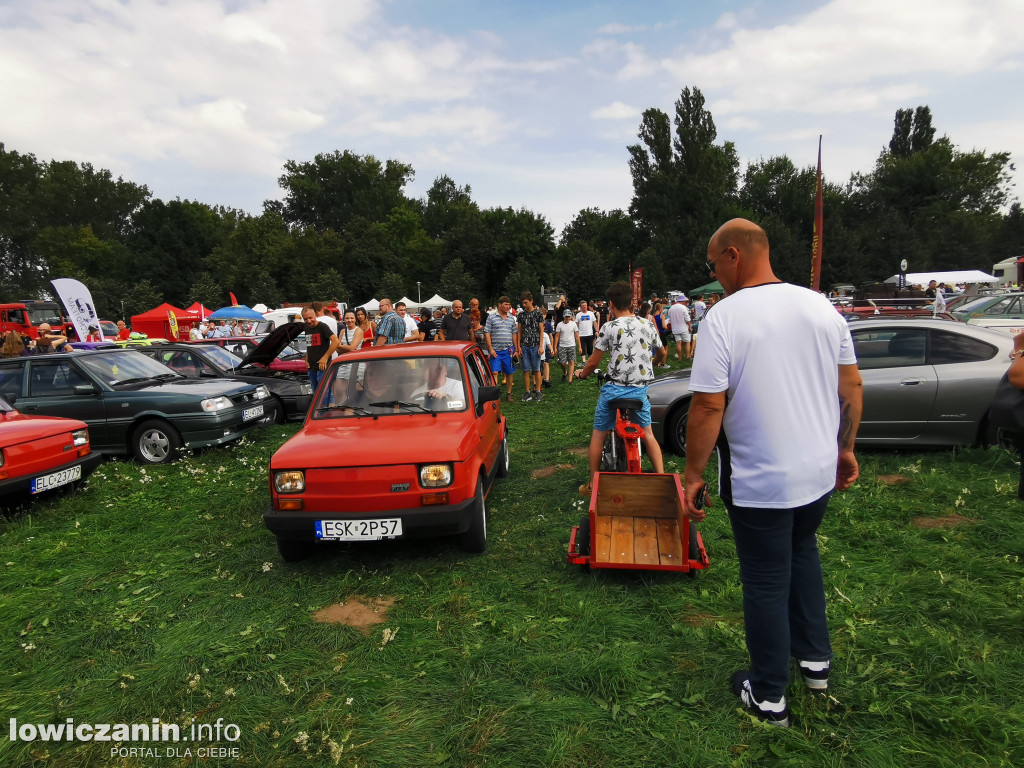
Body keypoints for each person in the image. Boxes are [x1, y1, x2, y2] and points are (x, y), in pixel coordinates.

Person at [682, 218, 863, 728]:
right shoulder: (820, 305)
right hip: (816, 472)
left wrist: (693, 474)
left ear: (733, 255)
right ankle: (815, 664)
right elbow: (850, 387)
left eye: (713, 264)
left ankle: (768, 696)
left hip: (761, 478)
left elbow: (706, 407)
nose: (715, 275)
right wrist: (844, 449)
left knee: (764, 580)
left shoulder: (724, 318)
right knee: (803, 557)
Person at [575, 281, 664, 493]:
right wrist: (652, 362)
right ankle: (662, 479)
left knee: (598, 435)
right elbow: (662, 353)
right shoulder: (648, 324)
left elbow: (593, 363)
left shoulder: (609, 327)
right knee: (649, 434)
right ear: (632, 303)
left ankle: (593, 485)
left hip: (614, 390)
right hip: (639, 391)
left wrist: (582, 374)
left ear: (612, 304)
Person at [484, 296, 519, 402]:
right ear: (500, 305)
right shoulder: (491, 317)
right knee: (494, 372)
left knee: (509, 372)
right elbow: (487, 333)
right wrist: (490, 349)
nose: (508, 307)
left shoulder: (511, 318)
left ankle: (509, 394)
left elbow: (514, 334)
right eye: (506, 304)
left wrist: (516, 349)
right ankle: (496, 394)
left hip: (508, 350)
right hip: (495, 350)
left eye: (509, 305)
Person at [301, 307, 340, 391]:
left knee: (324, 393)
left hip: (322, 367)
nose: (308, 321)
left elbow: (336, 341)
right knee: (316, 393)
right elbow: (309, 344)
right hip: (311, 367)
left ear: (315, 315)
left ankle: (330, 404)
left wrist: (325, 357)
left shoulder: (322, 326)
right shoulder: (307, 328)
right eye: (305, 319)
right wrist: (306, 359)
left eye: (310, 318)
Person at [516, 292, 545, 402]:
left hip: (535, 345)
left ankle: (538, 391)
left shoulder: (538, 314)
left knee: (536, 369)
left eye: (526, 302)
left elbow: (541, 331)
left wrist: (541, 346)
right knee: (525, 370)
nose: (524, 305)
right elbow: (519, 331)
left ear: (531, 301)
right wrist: (518, 346)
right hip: (524, 346)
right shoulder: (521, 315)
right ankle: (527, 392)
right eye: (523, 303)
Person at [553, 309, 580, 383]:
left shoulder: (573, 324)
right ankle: (565, 372)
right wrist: (555, 347)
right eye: (566, 317)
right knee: (562, 362)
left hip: (571, 345)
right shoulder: (559, 325)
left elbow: (577, 335)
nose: (567, 318)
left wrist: (580, 346)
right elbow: (557, 336)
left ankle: (570, 380)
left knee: (571, 362)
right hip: (562, 346)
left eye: (568, 316)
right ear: (563, 317)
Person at [667, 295, 692, 360]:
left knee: (678, 343)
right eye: (686, 301)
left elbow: (669, 318)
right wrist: (690, 325)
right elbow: (687, 319)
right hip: (684, 328)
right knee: (687, 342)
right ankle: (688, 356)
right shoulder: (683, 308)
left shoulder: (671, 308)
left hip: (675, 328)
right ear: (682, 301)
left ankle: (680, 358)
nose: (686, 303)